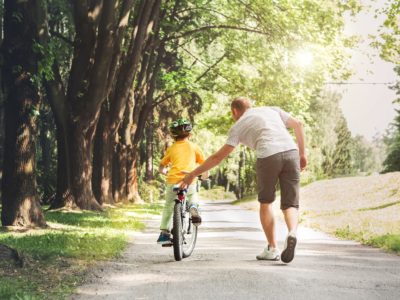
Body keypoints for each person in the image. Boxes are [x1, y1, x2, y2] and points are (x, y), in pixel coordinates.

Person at [181, 97, 307, 263]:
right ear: (251, 106)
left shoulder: (238, 126)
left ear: (234, 111)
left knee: (266, 202)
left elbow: (217, 157)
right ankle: (292, 232)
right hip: (291, 151)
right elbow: (298, 124)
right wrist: (302, 154)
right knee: (290, 203)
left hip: (268, 155)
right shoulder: (272, 110)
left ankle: (272, 248)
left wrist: (192, 174)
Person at [157, 118, 207, 245]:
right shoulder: (194, 147)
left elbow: (162, 166)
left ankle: (164, 233)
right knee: (192, 195)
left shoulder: (172, 148)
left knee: (169, 205)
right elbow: (204, 164)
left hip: (173, 180)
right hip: (189, 178)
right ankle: (193, 206)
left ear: (173, 136)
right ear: (190, 134)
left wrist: (164, 172)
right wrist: (205, 175)